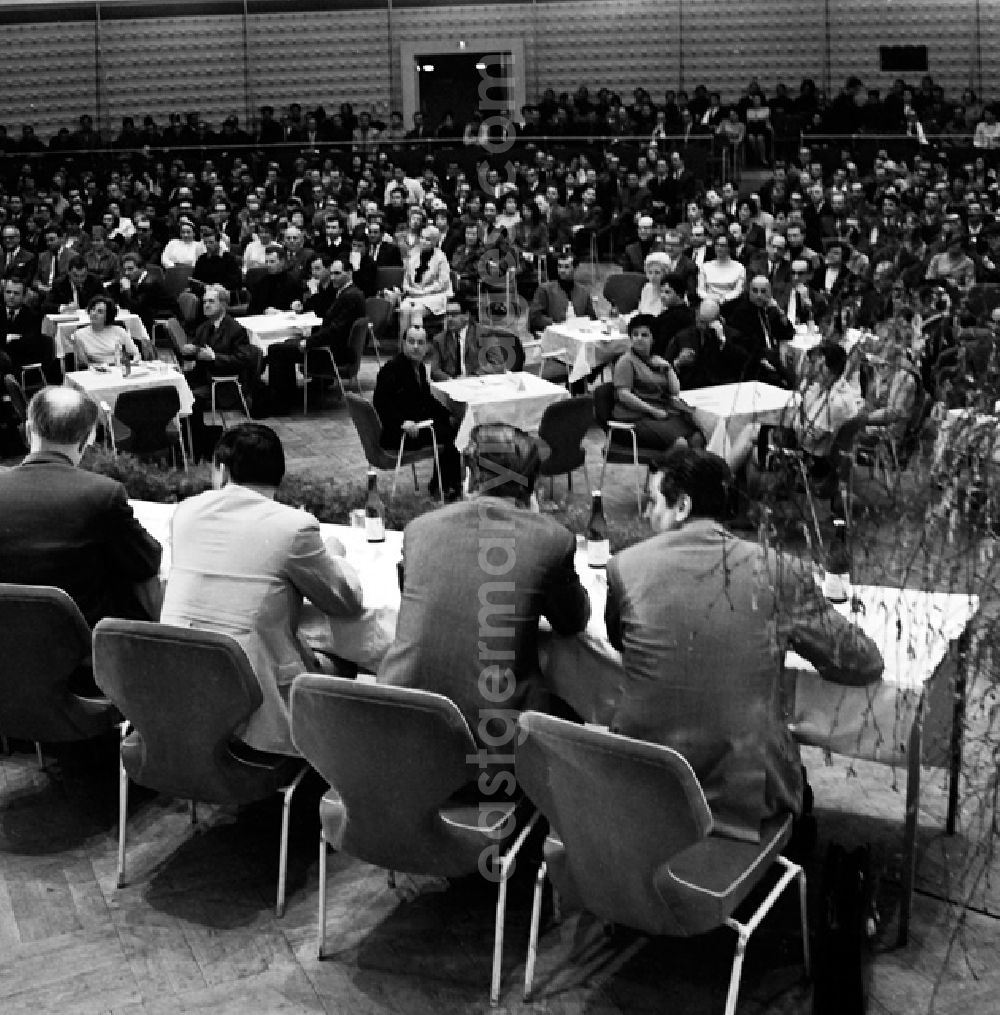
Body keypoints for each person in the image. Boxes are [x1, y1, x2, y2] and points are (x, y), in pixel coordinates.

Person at [605, 447, 883, 842]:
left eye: (653, 503)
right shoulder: (777, 571)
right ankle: (779, 885)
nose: (646, 516)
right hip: (742, 794)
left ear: (682, 506)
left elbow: (620, 640)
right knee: (798, 791)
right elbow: (861, 662)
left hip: (640, 779)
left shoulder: (626, 566)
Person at [379, 423, 590, 763]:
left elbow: (412, 590)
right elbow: (573, 620)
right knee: (572, 707)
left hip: (395, 728)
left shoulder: (420, 529)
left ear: (469, 477)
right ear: (532, 484)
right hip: (486, 753)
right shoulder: (551, 539)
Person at [160, 424, 363, 756]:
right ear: (278, 475)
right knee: (345, 660)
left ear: (222, 470)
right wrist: (336, 557)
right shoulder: (293, 527)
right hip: (257, 707)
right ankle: (328, 764)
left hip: (182, 693)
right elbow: (345, 602)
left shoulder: (185, 513)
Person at [0, 386, 162, 627]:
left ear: (27, 430)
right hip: (84, 646)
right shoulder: (102, 494)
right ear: (90, 438)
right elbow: (146, 561)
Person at [372, 325, 462, 499]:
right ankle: (446, 487)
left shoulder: (419, 368)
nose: (415, 347)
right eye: (411, 341)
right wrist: (401, 423)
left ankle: (442, 484)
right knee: (451, 436)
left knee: (452, 427)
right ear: (403, 343)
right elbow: (381, 403)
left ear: (426, 346)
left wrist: (448, 415)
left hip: (415, 426)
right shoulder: (391, 369)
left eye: (420, 343)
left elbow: (426, 400)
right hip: (399, 434)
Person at [267, 257, 365, 411]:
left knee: (275, 350)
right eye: (331, 273)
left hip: (332, 353)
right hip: (334, 347)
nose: (332, 277)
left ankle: (281, 402)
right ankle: (287, 395)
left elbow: (335, 331)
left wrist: (308, 342)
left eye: (337, 273)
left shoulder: (350, 296)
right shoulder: (347, 293)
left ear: (349, 273)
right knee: (286, 344)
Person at [612, 313, 701, 454]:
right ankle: (660, 471)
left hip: (660, 414)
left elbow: (675, 391)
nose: (639, 339)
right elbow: (624, 395)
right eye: (635, 334)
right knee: (681, 444)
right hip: (634, 418)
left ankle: (689, 475)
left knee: (697, 438)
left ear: (653, 338)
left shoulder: (656, 360)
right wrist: (653, 411)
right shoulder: (626, 361)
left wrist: (668, 368)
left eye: (644, 335)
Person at [426, 300, 525, 379]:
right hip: (452, 387)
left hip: (480, 385)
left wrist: (471, 377)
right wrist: (452, 381)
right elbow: (435, 370)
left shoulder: (484, 334)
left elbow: (497, 365)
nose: (449, 318)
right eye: (447, 315)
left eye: (454, 314)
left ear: (466, 316)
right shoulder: (439, 340)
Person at [399, 225, 452, 336]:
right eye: (422, 238)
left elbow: (442, 283)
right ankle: (403, 347)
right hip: (415, 293)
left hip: (434, 295)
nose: (423, 241)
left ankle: (418, 346)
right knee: (404, 308)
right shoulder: (413, 254)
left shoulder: (441, 257)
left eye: (427, 239)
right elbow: (406, 279)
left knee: (417, 310)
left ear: (434, 242)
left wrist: (423, 292)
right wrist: (409, 289)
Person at [528, 250, 596, 333]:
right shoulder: (545, 289)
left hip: (579, 334)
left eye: (566, 267)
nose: (562, 270)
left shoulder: (583, 292)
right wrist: (555, 324)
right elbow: (534, 317)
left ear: (575, 268)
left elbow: (592, 318)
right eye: (559, 266)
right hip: (553, 334)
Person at [72, 294, 140, 368]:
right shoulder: (79, 334)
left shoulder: (120, 331)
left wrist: (132, 363)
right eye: (93, 309)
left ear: (107, 316)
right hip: (97, 372)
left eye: (100, 312)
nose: (94, 313)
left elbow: (136, 353)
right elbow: (83, 363)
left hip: (120, 369)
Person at [248, 243, 304, 315]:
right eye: (266, 262)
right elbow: (252, 310)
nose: (268, 265)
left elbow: (299, 308)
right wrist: (264, 312)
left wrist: (283, 312)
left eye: (272, 262)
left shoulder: (293, 282)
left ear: (282, 262)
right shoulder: (261, 283)